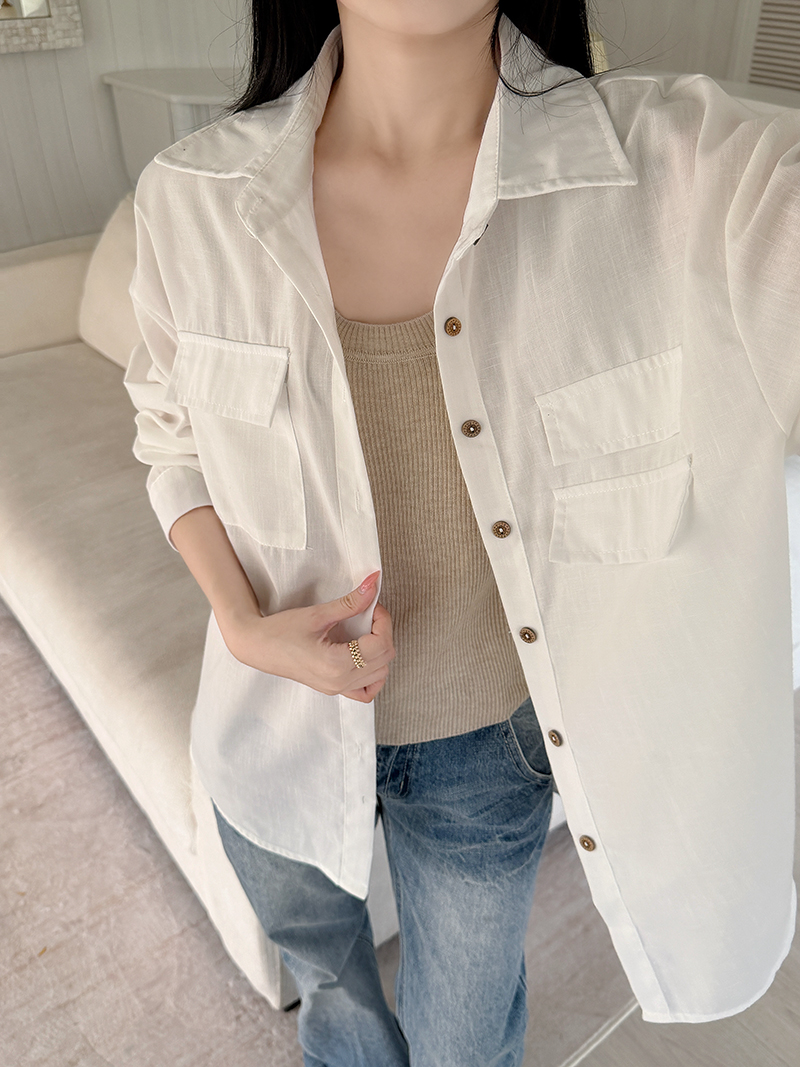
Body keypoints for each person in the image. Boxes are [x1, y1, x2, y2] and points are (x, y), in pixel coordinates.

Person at [123, 1, 800, 1064]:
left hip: (485, 752)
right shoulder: (189, 198)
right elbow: (168, 435)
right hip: (265, 729)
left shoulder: (679, 173)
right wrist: (242, 623)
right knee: (329, 992)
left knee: (465, 1045)